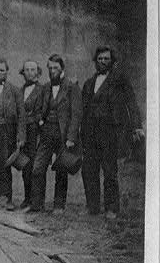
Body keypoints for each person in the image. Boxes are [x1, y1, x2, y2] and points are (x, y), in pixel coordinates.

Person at [81, 46, 144, 220]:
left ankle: (112, 208)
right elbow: (84, 110)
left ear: (112, 61)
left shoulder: (120, 81)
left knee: (109, 171)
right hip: (91, 133)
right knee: (89, 170)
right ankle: (93, 207)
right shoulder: (89, 83)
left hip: (110, 132)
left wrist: (137, 126)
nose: (102, 62)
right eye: (100, 59)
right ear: (95, 61)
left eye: (106, 59)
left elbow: (131, 103)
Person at [29, 54, 82, 214]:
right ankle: (37, 205)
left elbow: (76, 114)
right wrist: (40, 121)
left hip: (63, 134)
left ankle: (59, 205)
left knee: (61, 170)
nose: (52, 71)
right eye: (50, 68)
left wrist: (71, 138)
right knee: (37, 168)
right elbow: (37, 110)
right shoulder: (45, 87)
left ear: (62, 69)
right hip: (46, 133)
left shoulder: (72, 87)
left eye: (55, 68)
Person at [0, 57, 26, 210]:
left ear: (7, 71)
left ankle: (6, 197)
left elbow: (22, 115)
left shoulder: (14, 90)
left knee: (5, 163)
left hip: (6, 131)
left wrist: (21, 137)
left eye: (2, 70)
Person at [19, 59, 45, 209]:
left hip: (36, 131)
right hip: (23, 131)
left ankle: (37, 201)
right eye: (27, 69)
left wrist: (32, 119)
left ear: (38, 72)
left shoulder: (42, 90)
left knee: (36, 165)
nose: (29, 72)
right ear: (23, 72)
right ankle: (27, 197)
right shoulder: (20, 90)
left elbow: (42, 111)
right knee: (25, 165)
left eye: (33, 69)